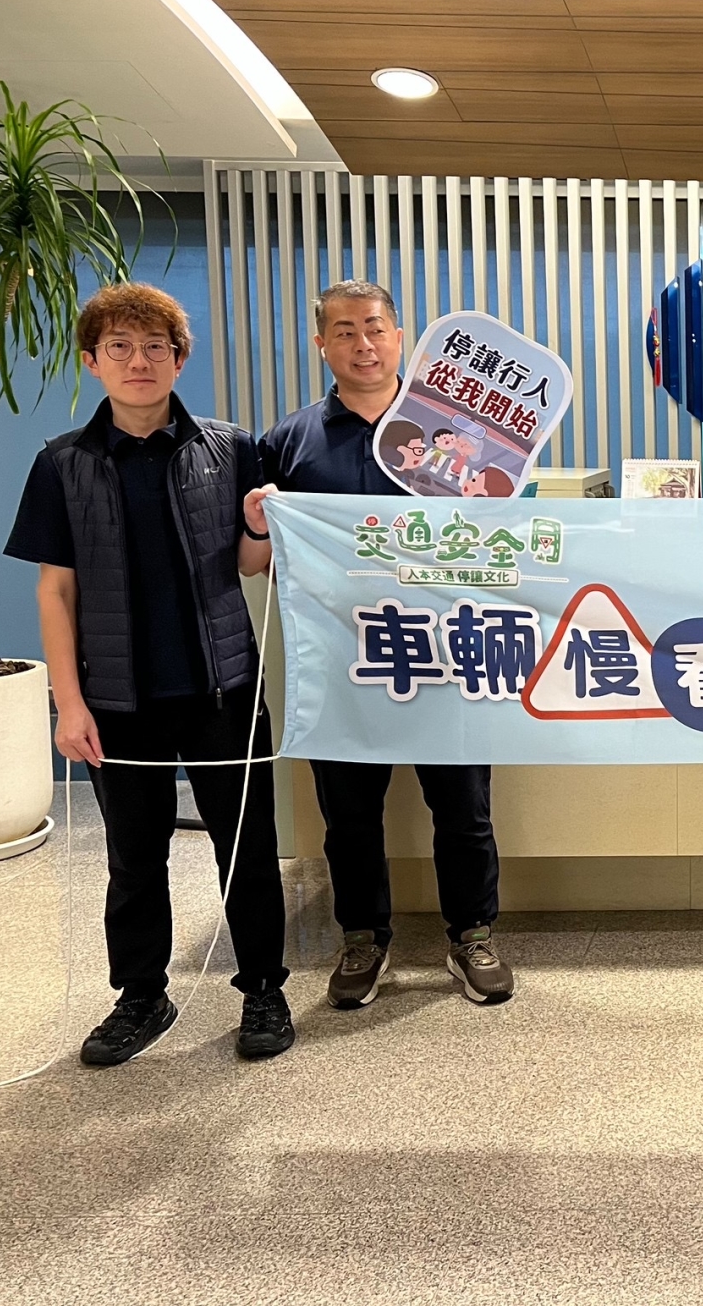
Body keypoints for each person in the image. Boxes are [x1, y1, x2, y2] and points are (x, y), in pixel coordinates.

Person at [4, 283, 293, 1066]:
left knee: (248, 847)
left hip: (223, 689)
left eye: (156, 347)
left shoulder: (229, 448)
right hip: (116, 698)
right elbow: (55, 591)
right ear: (92, 361)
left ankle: (264, 989)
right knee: (134, 857)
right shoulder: (62, 463)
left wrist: (259, 527)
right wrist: (68, 705)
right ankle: (141, 996)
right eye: (121, 347)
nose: (140, 361)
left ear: (179, 358)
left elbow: (250, 565)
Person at [251, 281, 514, 1008]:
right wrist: (260, 521)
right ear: (321, 345)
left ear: (401, 337)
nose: (362, 344)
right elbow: (260, 561)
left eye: (374, 328)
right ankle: (363, 938)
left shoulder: (460, 434)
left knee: (464, 809)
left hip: (449, 651)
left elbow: (502, 539)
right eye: (344, 331)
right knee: (349, 816)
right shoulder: (288, 443)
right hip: (341, 659)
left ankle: (472, 934)